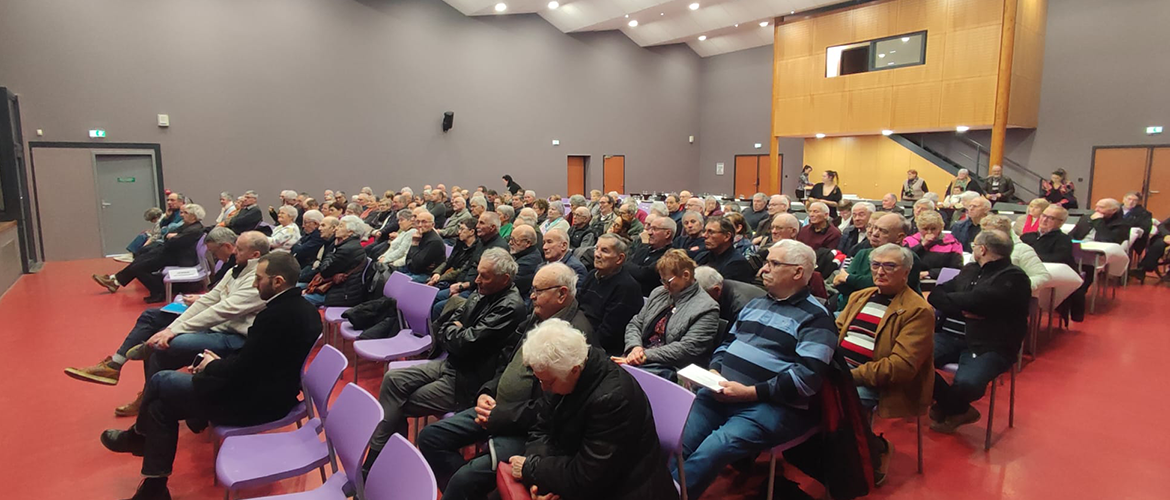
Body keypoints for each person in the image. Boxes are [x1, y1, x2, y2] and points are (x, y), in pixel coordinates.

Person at [98, 251, 321, 500]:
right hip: (265, 389)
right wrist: (216, 365)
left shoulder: (277, 316)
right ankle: (153, 487)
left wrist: (211, 368)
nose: (255, 284)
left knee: (161, 381)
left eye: (258, 279)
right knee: (159, 408)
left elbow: (246, 369)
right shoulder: (300, 309)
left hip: (258, 402)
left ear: (278, 281)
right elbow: (255, 361)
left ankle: (139, 436)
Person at [674, 239, 836, 498]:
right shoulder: (756, 303)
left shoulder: (817, 319)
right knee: (678, 439)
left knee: (716, 447)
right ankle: (661, 489)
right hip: (722, 391)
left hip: (773, 405)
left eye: (774, 264)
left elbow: (806, 380)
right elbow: (727, 343)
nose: (763, 270)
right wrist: (715, 370)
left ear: (797, 272)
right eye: (766, 263)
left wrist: (750, 392)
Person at [416, 264, 592, 500]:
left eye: (539, 291)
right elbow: (506, 361)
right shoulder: (538, 316)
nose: (531, 296)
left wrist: (499, 415)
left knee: (463, 480)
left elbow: (551, 410)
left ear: (562, 294)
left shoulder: (575, 339)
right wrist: (487, 391)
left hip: (527, 429)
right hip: (497, 407)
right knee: (431, 437)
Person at [366, 248, 526, 470]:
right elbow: (446, 324)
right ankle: (386, 458)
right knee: (393, 380)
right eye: (478, 273)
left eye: (484, 276)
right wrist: (456, 332)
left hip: (468, 380)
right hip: (451, 363)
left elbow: (466, 342)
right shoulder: (483, 291)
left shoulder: (510, 306)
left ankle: (377, 462)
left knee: (396, 404)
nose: (477, 280)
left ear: (504, 279)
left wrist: (456, 332)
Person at [506, 319, 677, 500]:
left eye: (548, 382)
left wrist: (533, 469)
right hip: (583, 475)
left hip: (624, 488)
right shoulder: (560, 371)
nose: (544, 388)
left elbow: (587, 476)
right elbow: (542, 427)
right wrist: (539, 484)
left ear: (574, 370)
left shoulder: (613, 400)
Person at [65, 227, 244, 389]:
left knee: (156, 339)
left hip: (223, 324)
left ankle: (139, 387)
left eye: (214, 253)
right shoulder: (233, 266)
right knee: (150, 316)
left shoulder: (243, 268)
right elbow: (217, 295)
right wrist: (200, 300)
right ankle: (117, 367)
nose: (214, 257)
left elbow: (225, 306)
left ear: (228, 247)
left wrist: (173, 329)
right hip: (212, 311)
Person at [836, 243, 934, 484]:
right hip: (840, 370)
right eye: (875, 265)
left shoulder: (918, 310)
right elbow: (835, 333)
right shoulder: (860, 296)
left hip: (878, 382)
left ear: (906, 272)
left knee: (837, 404)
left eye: (890, 266)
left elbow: (900, 366)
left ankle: (876, 447)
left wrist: (852, 376)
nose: (880, 272)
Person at [929, 230, 1031, 433]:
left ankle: (947, 406)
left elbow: (981, 301)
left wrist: (960, 302)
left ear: (982, 249)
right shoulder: (970, 270)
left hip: (990, 344)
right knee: (908, 364)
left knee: (968, 383)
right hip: (948, 335)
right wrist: (965, 307)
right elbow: (936, 295)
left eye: (974, 246)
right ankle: (957, 408)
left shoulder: (1014, 278)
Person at [617, 250, 720, 379]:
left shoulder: (707, 308)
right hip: (637, 358)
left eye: (668, 281)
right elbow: (636, 323)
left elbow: (687, 349)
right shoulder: (658, 293)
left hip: (670, 369)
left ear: (686, 275)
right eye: (662, 281)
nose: (665, 287)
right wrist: (635, 347)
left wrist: (644, 355)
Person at [93, 204, 206, 303]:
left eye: (186, 213)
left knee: (139, 267)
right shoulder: (188, 226)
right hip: (171, 252)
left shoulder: (194, 229)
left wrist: (171, 237)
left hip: (178, 257)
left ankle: (158, 292)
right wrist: (171, 237)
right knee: (140, 259)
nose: (182, 215)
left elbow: (174, 241)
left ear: (194, 216)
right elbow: (168, 234)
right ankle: (115, 280)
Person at [833, 213, 923, 307]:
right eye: (874, 228)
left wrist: (849, 278)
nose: (874, 233)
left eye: (883, 231)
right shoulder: (862, 253)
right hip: (853, 308)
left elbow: (887, 287)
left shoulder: (908, 258)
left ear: (899, 237)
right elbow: (840, 284)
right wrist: (860, 283)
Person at [578, 234, 643, 356]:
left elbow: (609, 335)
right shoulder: (592, 275)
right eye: (596, 249)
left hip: (599, 350)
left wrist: (580, 347)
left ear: (619, 259)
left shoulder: (626, 288)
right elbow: (578, 307)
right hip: (579, 335)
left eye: (604, 251)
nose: (596, 254)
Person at [302, 216, 366, 307]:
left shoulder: (347, 249)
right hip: (338, 289)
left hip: (342, 294)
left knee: (298, 300)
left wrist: (333, 249)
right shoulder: (348, 245)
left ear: (350, 232)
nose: (336, 228)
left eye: (340, 226)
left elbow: (324, 271)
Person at [981, 214, 1050, 290]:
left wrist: (1016, 287)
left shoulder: (1022, 249)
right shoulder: (981, 248)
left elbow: (1042, 276)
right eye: (984, 232)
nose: (985, 236)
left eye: (990, 233)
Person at [695, 265, 765, 328]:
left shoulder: (741, 305)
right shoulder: (720, 285)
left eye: (700, 296)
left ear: (716, 290)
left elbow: (739, 337)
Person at [904, 210, 964, 279]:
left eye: (933, 229)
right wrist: (922, 245)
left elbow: (956, 270)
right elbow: (904, 262)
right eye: (925, 229)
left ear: (941, 228)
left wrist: (929, 273)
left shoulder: (953, 244)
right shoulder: (909, 241)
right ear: (919, 228)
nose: (929, 232)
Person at [696, 217, 755, 283]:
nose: (704, 235)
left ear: (727, 236)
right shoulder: (702, 256)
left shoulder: (737, 264)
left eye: (711, 232)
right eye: (704, 231)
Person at [400, 211, 446, 282]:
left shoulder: (434, 241)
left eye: (424, 222)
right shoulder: (419, 236)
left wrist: (414, 244)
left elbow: (416, 267)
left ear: (433, 224)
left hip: (426, 275)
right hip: (412, 270)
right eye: (418, 222)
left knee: (401, 282)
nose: (420, 225)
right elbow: (408, 261)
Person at [508, 224, 543, 296]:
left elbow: (508, 283)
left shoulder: (529, 262)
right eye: (510, 239)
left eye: (514, 240)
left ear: (527, 243)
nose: (510, 242)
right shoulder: (521, 253)